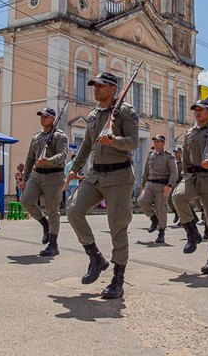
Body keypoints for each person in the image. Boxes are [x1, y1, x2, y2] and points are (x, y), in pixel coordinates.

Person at [66, 72, 139, 299]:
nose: (95, 89)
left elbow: (133, 142)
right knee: (73, 210)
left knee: (117, 226)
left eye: (100, 85)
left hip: (119, 176)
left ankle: (118, 279)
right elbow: (86, 146)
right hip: (96, 174)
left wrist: (113, 140)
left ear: (113, 89)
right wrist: (74, 169)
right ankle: (96, 257)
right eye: (94, 85)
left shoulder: (126, 112)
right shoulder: (94, 115)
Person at [171, 99, 208, 274]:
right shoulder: (189, 132)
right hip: (193, 176)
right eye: (195, 109)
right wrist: (185, 173)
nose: (197, 112)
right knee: (177, 197)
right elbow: (187, 156)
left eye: (201, 110)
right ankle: (192, 233)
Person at [21, 107, 69, 256]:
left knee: (53, 210)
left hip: (54, 177)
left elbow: (62, 155)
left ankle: (53, 245)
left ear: (53, 119)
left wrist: (48, 161)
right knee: (26, 201)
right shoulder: (36, 137)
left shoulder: (59, 136)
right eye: (41, 116)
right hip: (36, 175)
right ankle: (44, 223)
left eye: (46, 116)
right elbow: (30, 159)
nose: (42, 118)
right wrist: (25, 178)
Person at [138, 134, 177, 244]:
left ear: (163, 143)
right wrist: (142, 184)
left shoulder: (169, 156)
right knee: (141, 201)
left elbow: (174, 172)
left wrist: (169, 186)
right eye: (155, 141)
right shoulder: (151, 155)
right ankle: (153, 218)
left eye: (158, 142)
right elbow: (146, 171)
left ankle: (161, 232)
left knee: (161, 209)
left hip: (162, 185)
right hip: (150, 184)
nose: (156, 143)